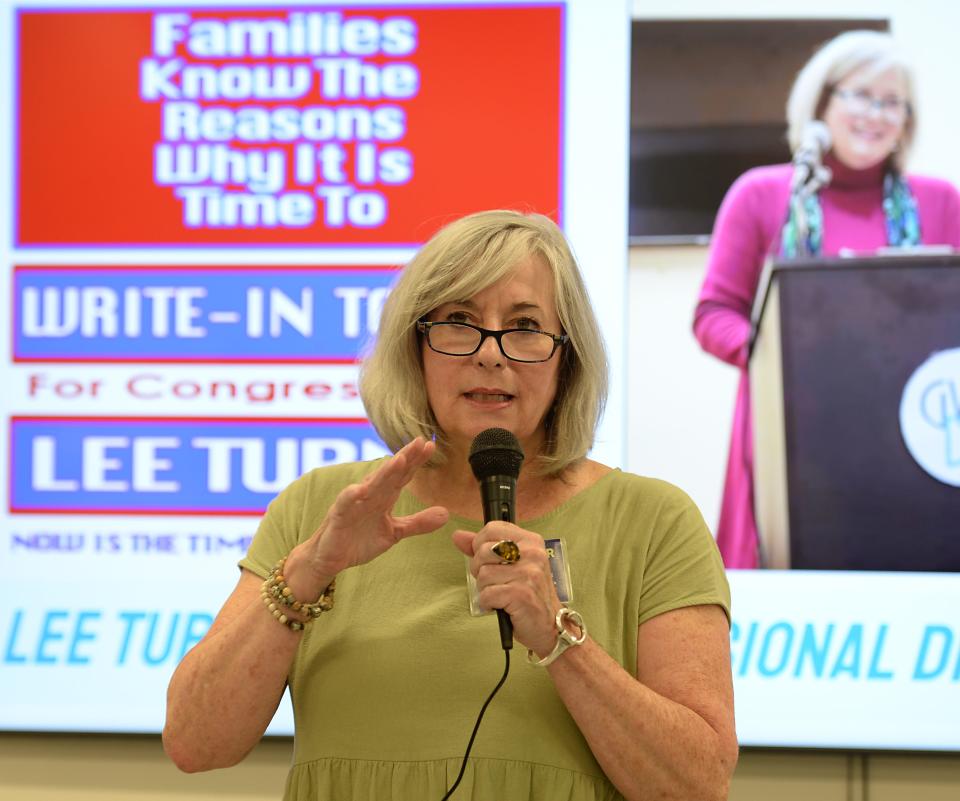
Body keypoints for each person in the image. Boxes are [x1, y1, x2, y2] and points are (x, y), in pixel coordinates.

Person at [163, 210, 738, 800]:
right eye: (459, 321)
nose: (491, 354)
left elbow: (697, 785)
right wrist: (309, 573)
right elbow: (195, 743)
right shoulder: (323, 506)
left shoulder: (653, 521)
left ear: (567, 358)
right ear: (416, 347)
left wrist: (558, 634)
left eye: (524, 325)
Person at [693, 30, 960, 569]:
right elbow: (713, 315)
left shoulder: (942, 202)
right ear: (820, 102)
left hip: (910, 435)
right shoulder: (761, 195)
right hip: (793, 433)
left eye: (892, 103)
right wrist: (785, 358)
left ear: (906, 121)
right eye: (860, 94)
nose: (875, 114)